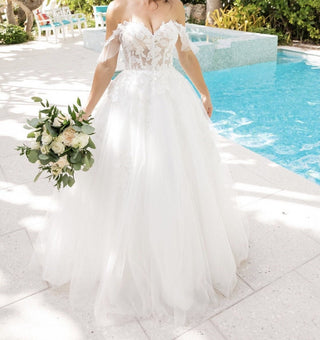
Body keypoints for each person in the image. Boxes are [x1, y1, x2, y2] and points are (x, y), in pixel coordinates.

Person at [29, 0, 249, 329]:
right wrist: (86, 111)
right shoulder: (118, 7)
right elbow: (107, 63)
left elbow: (185, 53)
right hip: (128, 103)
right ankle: (127, 265)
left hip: (171, 100)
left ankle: (175, 261)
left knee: (174, 180)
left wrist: (204, 91)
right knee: (128, 180)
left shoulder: (175, 6)